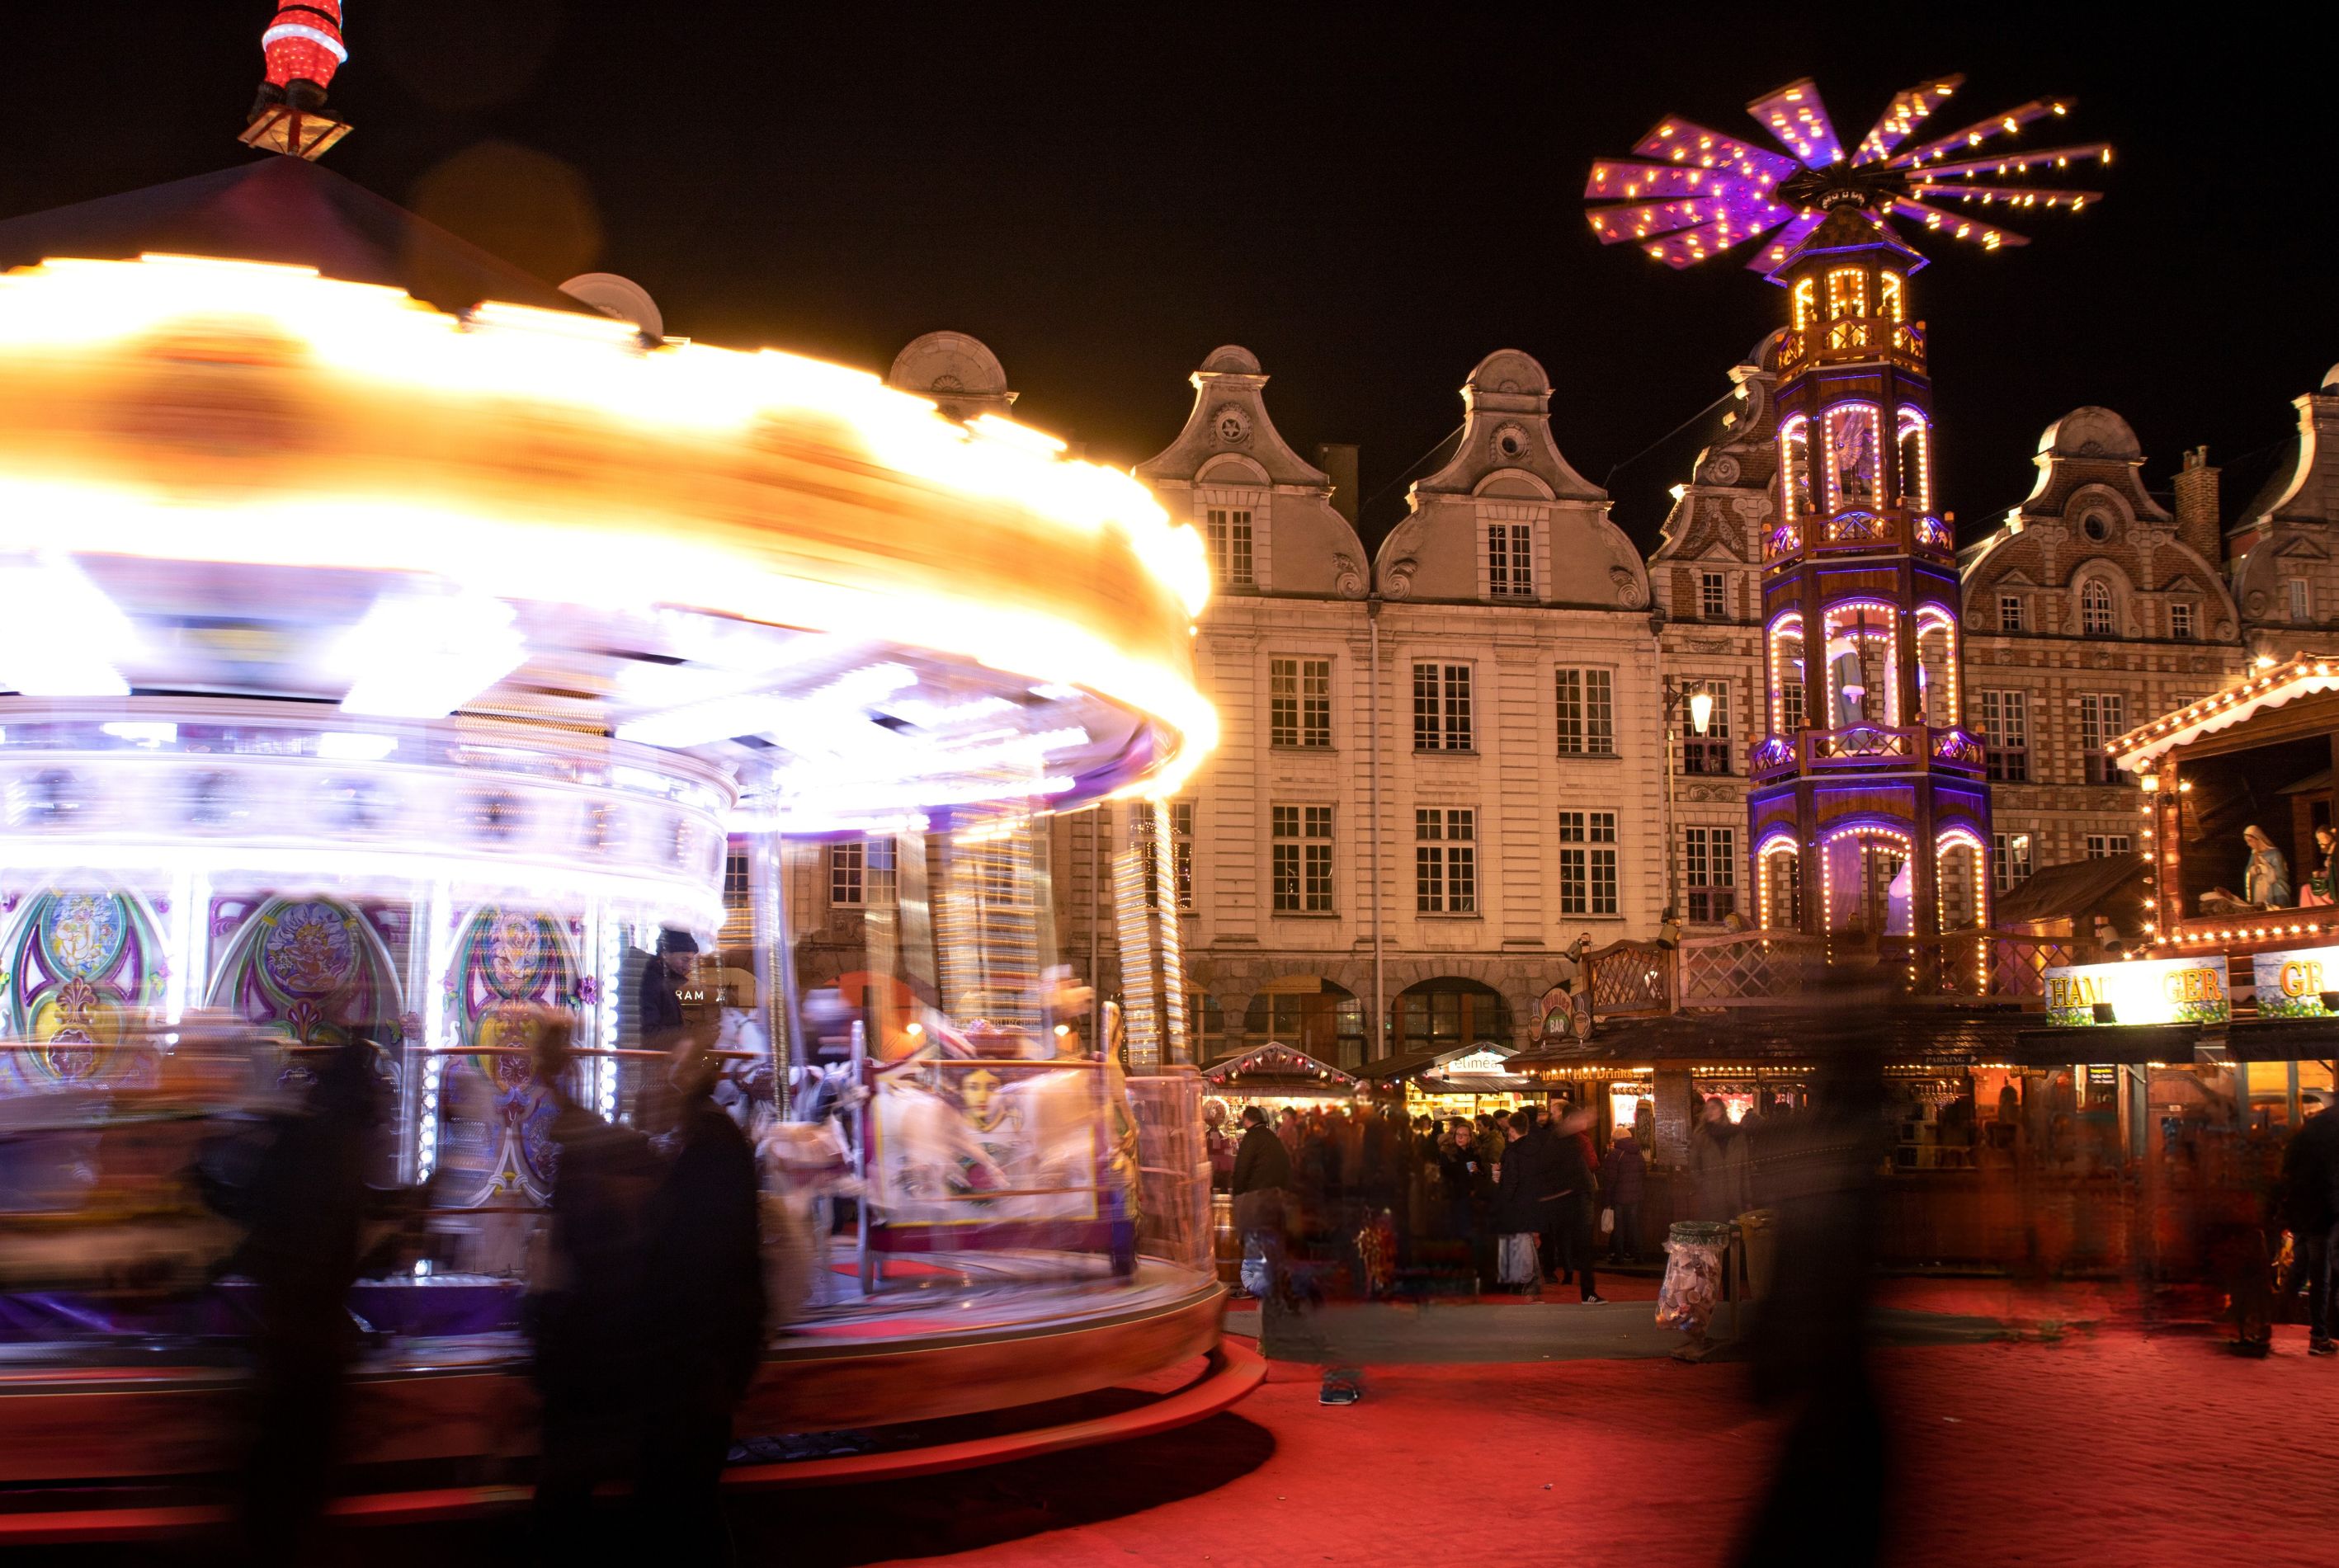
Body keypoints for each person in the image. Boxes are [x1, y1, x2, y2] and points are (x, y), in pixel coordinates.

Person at [232, 1037, 388, 1565]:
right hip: (314, 1341)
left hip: (288, 1335)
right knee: (300, 1477)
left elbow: (257, 1221)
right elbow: (334, 1252)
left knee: (277, 1474)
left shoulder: (305, 1138)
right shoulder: (342, 1148)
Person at [527, 1008, 658, 1557]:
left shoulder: (586, 1162)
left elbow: (564, 1265)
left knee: (567, 1489)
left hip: (588, 1350)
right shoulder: (609, 1155)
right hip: (613, 1347)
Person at [635, 1033, 766, 1559]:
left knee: (687, 1490)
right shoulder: (709, 1135)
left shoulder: (709, 1142)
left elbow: (701, 1245)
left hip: (702, 1345)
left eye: (677, 1068)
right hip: (706, 1341)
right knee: (689, 1488)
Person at [2279, 1092, 2339, 1355]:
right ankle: (2319, 1336)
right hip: (2322, 1214)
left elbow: (2287, 1167)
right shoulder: (2333, 1128)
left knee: (2302, 1268)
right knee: (2320, 1274)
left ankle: (2271, 1321)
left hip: (2301, 1211)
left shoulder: (2309, 1128)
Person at [1551, 1107, 1606, 1303]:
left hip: (1571, 1198)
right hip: (1575, 1199)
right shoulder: (1573, 1140)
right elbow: (1590, 1164)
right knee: (1583, 1247)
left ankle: (1576, 1281)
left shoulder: (1560, 1139)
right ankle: (1587, 1292)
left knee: (1574, 1244)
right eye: (1582, 1118)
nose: (1586, 1122)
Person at [1690, 1096, 1752, 1223]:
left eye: (1713, 1108)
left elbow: (1744, 1167)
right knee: (1715, 1229)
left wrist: (1747, 1198)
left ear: (1722, 1110)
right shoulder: (1701, 1136)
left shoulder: (1736, 1134)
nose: (1709, 1111)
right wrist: (1704, 1184)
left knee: (1734, 1229)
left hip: (1734, 1194)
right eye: (1707, 1109)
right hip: (1712, 1196)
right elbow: (1694, 1165)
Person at [638, 928, 698, 1043]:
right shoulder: (652, 983)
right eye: (685, 960)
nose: (688, 967)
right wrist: (690, 1036)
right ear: (665, 954)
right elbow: (650, 1033)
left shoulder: (664, 982)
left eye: (691, 961)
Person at [1602, 1125, 1648, 1264]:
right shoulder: (1638, 1153)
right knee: (1634, 1226)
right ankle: (1638, 1255)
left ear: (1616, 1139)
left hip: (1619, 1197)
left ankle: (1619, 1256)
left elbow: (1610, 1179)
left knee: (1619, 1227)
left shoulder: (1615, 1154)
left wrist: (1607, 1199)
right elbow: (1643, 1174)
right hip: (1636, 1196)